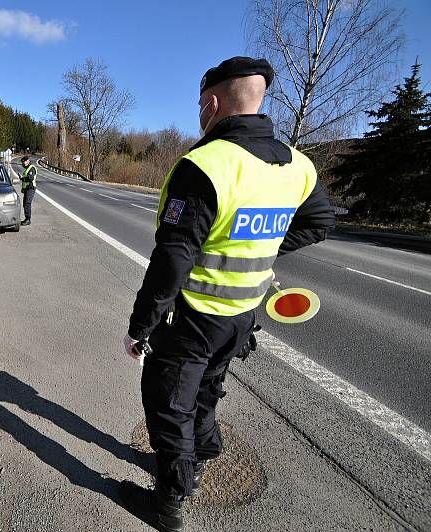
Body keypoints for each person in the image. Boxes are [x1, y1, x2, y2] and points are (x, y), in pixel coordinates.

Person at [118, 56, 335, 531]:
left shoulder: (206, 164)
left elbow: (172, 260)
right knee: (208, 388)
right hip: (243, 316)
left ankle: (171, 499)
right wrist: (264, 247)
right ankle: (203, 449)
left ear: (213, 104)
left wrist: (142, 326)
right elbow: (321, 222)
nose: (200, 113)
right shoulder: (297, 165)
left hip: (195, 315)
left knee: (169, 401)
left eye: (200, 105)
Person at [19, 156, 37, 226]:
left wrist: (22, 178)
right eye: (22, 162)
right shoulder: (26, 169)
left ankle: (28, 219)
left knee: (27, 203)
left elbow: (30, 178)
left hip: (30, 188)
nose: (23, 163)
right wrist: (23, 188)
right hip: (27, 188)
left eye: (24, 162)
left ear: (28, 161)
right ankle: (26, 218)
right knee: (25, 204)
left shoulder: (31, 168)